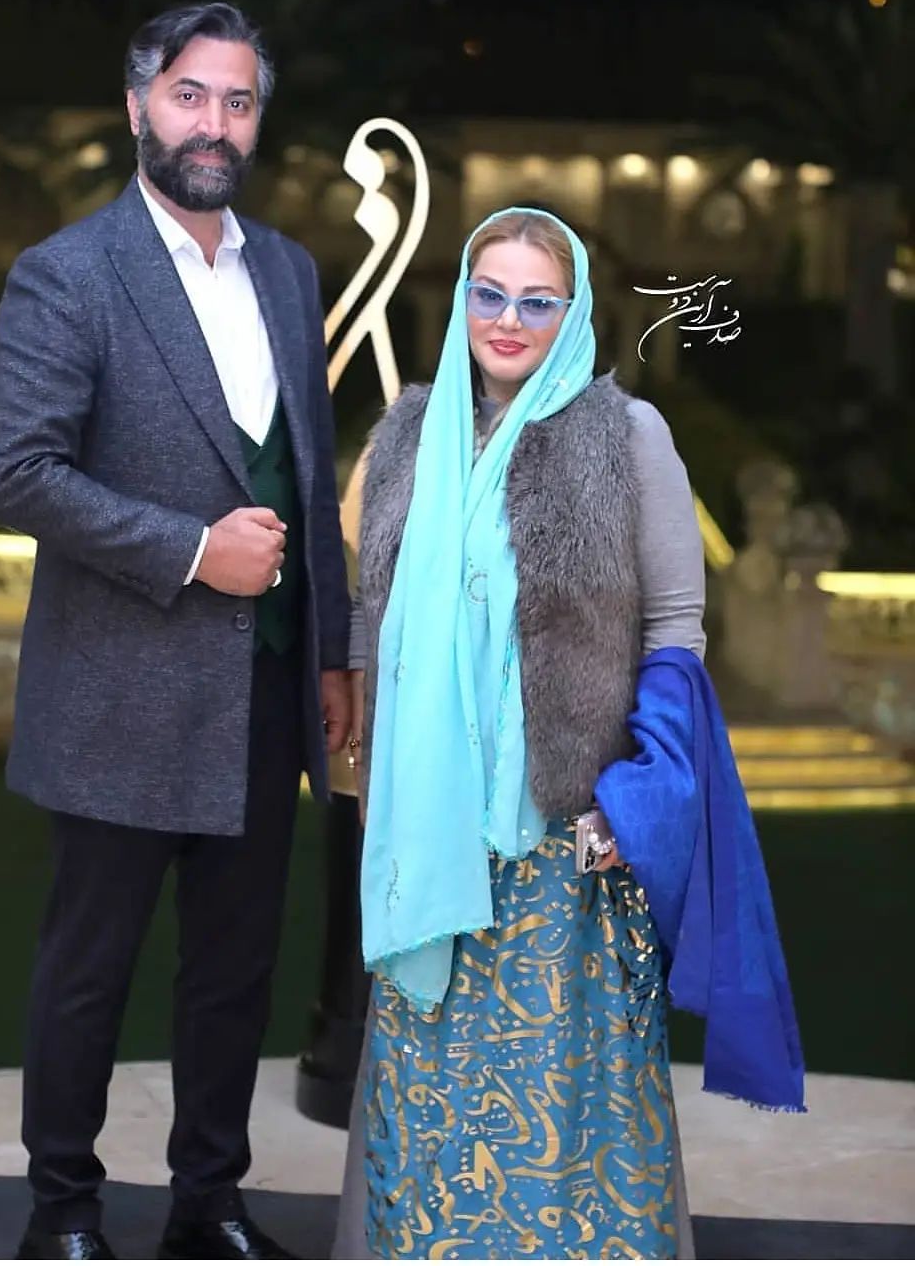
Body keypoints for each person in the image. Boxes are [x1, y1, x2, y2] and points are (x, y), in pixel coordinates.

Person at [333, 207, 802, 1260]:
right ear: (462, 302)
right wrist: (370, 746)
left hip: (564, 828)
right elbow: (377, 603)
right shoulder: (407, 435)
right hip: (425, 822)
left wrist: (640, 792)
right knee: (431, 1082)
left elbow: (675, 629)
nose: (508, 320)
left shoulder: (624, 437)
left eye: (537, 301)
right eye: (489, 294)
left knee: (564, 1085)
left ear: (574, 310)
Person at [0, 2, 351, 1261]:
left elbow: (310, 480)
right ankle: (63, 1214)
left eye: (238, 102)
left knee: (234, 971)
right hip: (118, 690)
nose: (215, 124)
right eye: (191, 96)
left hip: (265, 692)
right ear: (139, 103)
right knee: (88, 971)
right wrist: (194, 549)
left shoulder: (288, 271)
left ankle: (207, 1204)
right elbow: (16, 474)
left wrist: (333, 652)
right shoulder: (69, 271)